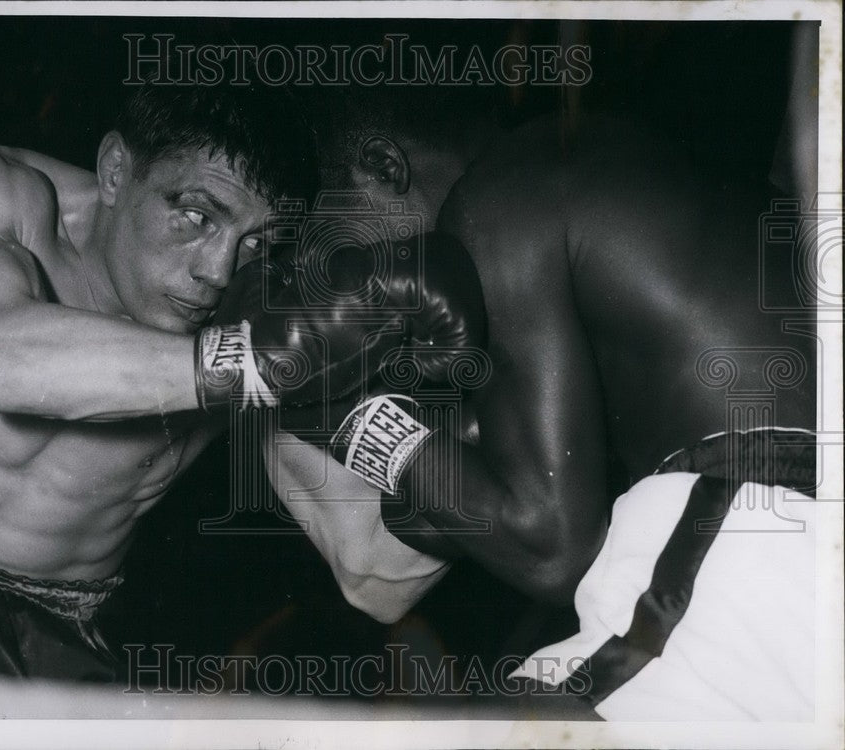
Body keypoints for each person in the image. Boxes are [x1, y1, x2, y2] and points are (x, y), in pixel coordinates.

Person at [0, 77, 483, 681]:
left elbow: (372, 572)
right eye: (195, 215)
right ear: (114, 170)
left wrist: (480, 429)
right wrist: (246, 363)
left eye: (253, 242)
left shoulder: (253, 315)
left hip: (57, 636)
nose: (216, 269)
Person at [265, 85, 818, 719]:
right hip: (783, 526)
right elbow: (455, 521)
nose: (348, 295)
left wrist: (343, 419)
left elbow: (550, 547)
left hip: (760, 515)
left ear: (385, 169)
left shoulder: (496, 201)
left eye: (334, 255)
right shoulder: (605, 166)